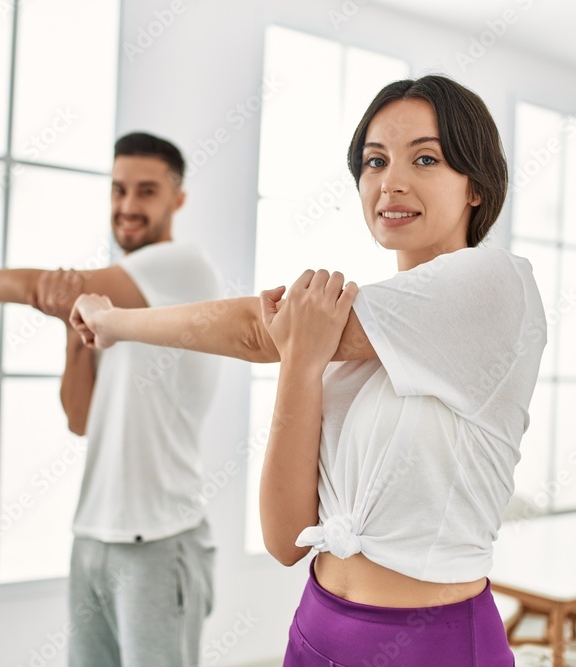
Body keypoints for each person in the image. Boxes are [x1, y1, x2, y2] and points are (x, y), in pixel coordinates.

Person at [70, 75, 547, 665]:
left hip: (431, 643)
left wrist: (116, 322)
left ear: (475, 185)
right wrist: (300, 364)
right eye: (374, 162)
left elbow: (254, 329)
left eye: (425, 158)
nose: (391, 182)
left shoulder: (495, 284)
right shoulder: (338, 346)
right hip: (315, 628)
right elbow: (283, 538)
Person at [0, 132, 223, 667]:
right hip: (93, 536)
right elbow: (80, 417)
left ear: (177, 200)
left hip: (158, 538)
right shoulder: (114, 303)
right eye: (118, 190)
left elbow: (40, 285)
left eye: (146, 191)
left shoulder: (180, 265)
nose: (127, 206)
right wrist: (72, 323)